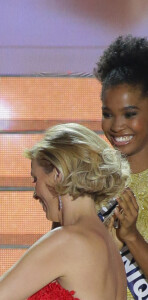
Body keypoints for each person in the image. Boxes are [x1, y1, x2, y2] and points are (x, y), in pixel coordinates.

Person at [0, 123, 129, 299]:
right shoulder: (110, 249)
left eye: (35, 179)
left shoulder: (67, 241)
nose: (34, 193)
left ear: (57, 174)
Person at [94, 35, 148, 299]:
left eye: (129, 114)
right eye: (107, 114)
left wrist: (132, 237)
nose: (116, 126)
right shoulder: (90, 180)